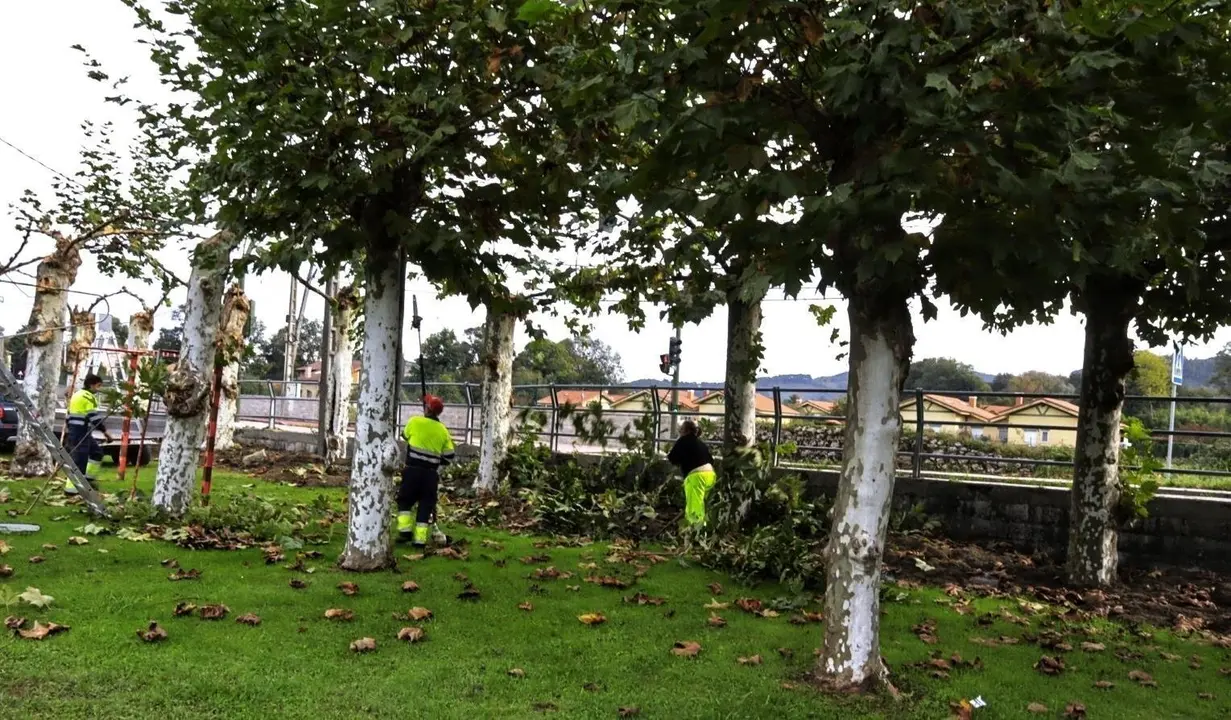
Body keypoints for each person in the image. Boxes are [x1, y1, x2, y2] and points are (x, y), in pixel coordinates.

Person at [397, 395, 455, 546]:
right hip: (430, 475)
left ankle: (404, 532)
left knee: (405, 501)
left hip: (412, 471)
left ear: (427, 408)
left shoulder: (415, 421)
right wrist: (435, 459)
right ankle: (420, 540)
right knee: (425, 505)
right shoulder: (443, 431)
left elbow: (404, 436)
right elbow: (449, 456)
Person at [64, 374, 112, 495]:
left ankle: (87, 480)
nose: (99, 389)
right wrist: (106, 433)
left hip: (79, 431)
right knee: (80, 461)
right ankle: (72, 490)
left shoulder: (77, 394)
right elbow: (94, 418)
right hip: (80, 433)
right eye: (98, 386)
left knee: (96, 453)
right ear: (91, 385)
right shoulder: (88, 397)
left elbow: (69, 416)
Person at [667, 420, 716, 527]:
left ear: (686, 430)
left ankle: (694, 533)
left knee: (694, 508)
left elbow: (672, 458)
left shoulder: (683, 440)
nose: (680, 432)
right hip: (710, 475)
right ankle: (705, 529)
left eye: (681, 430)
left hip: (696, 476)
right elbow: (711, 460)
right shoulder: (700, 443)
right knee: (703, 505)